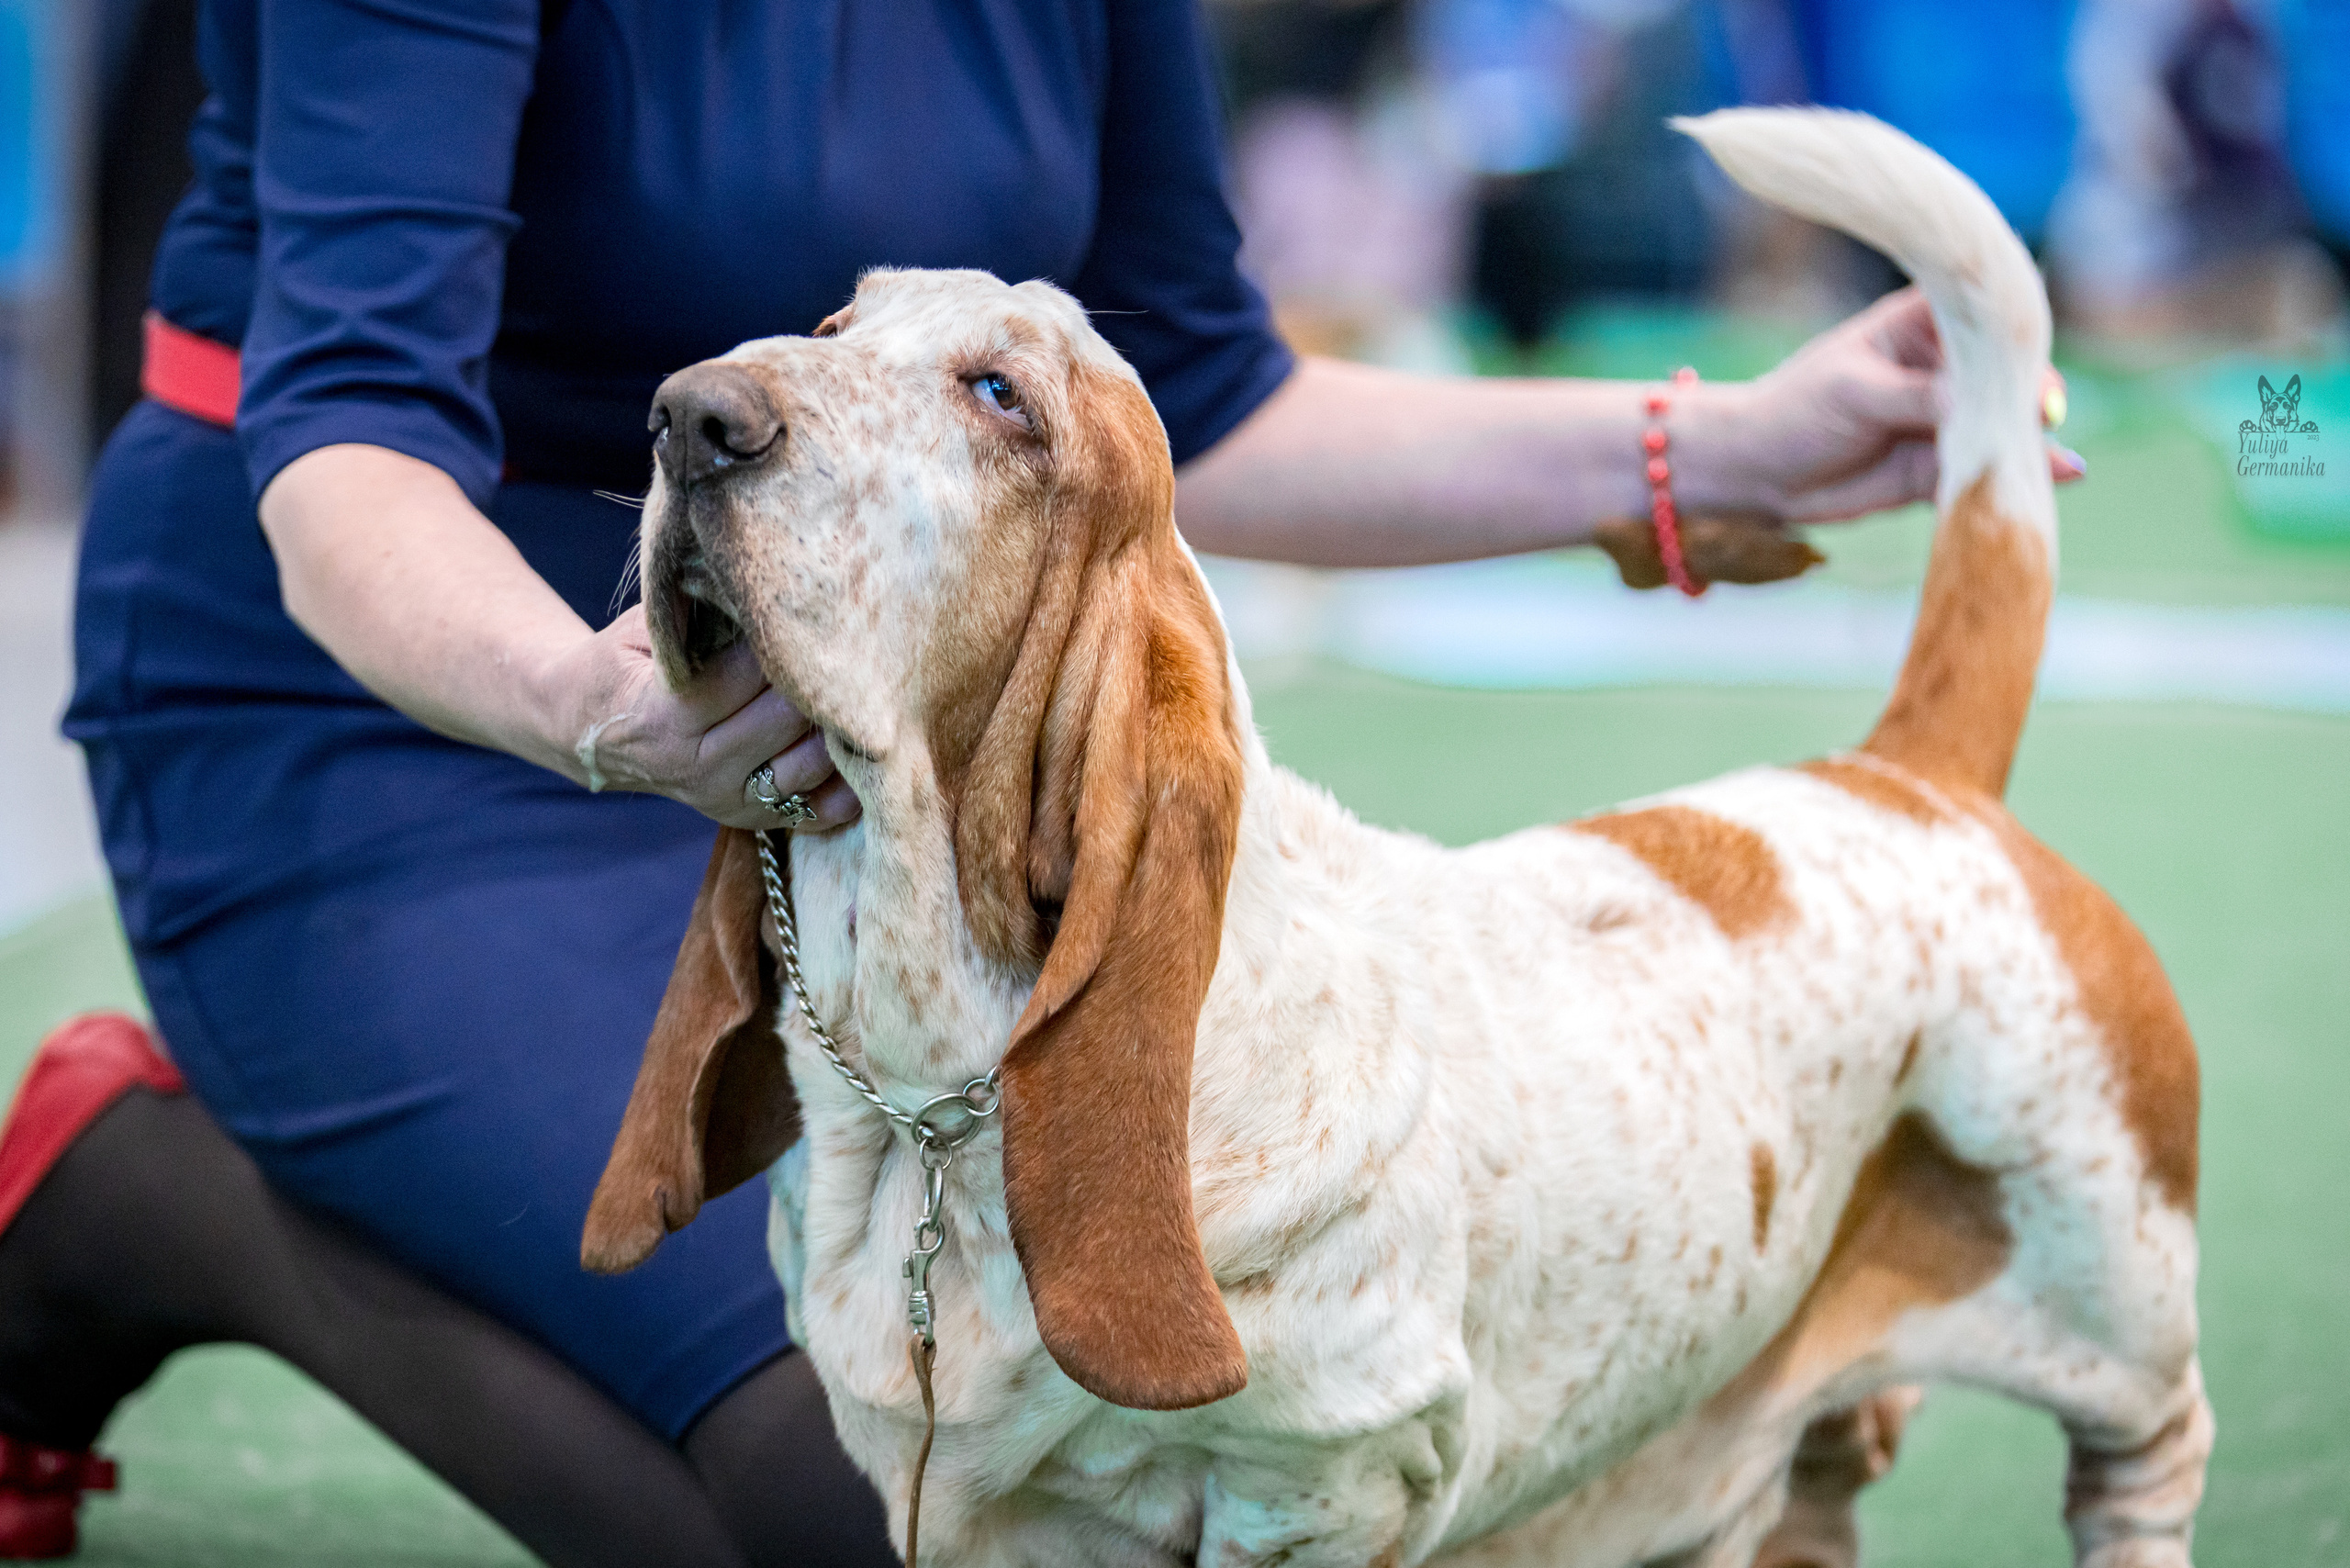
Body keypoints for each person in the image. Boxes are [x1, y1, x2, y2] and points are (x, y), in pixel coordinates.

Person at [0, 3, 2082, 1564]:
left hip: (848, 760)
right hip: (380, 716)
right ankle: (145, 1205)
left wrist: (1701, 446)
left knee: (1086, 1465)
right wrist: (589, 701)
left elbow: (1205, 401)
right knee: (863, 1501)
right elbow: (349, 440)